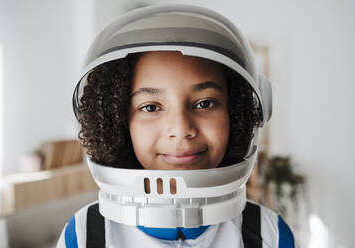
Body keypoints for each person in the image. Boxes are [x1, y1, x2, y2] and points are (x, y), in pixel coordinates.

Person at [57, 3, 298, 248]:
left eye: (205, 103)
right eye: (151, 107)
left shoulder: (270, 235)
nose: (181, 128)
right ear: (116, 121)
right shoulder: (84, 234)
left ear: (239, 112)